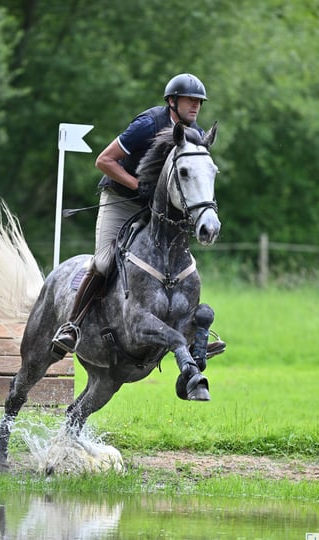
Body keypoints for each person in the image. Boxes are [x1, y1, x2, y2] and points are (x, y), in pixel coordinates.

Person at [51, 73, 209, 358]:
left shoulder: (193, 132)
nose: (196, 106)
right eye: (190, 100)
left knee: (179, 262)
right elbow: (104, 160)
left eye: (199, 101)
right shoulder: (148, 124)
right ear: (172, 101)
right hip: (121, 198)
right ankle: (72, 325)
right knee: (103, 261)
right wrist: (138, 185)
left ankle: (194, 330)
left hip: (154, 208)